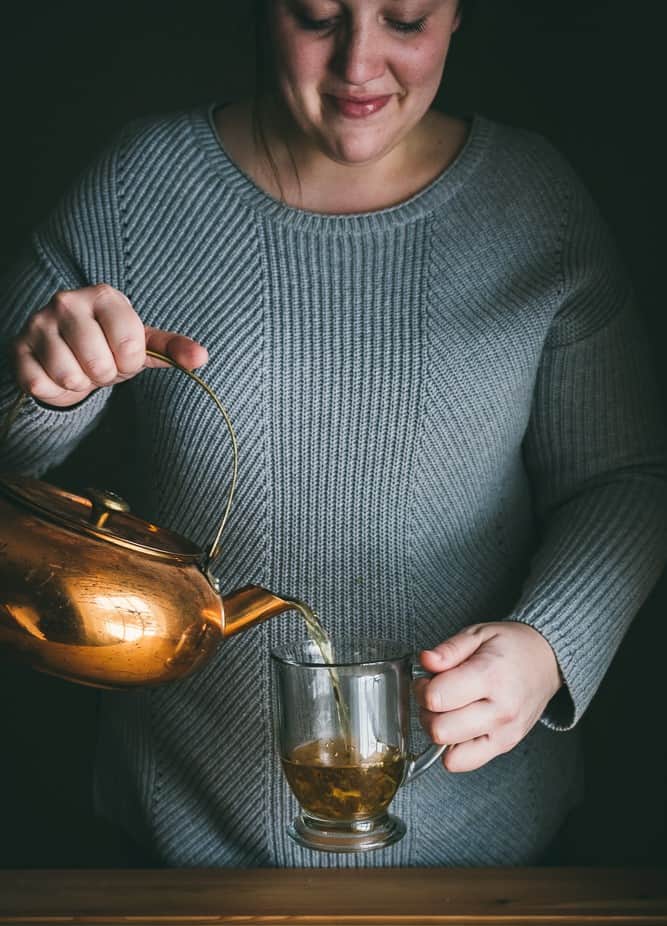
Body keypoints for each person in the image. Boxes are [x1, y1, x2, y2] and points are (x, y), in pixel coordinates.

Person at [1, 0, 666, 868]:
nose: (359, 65)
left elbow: (625, 476)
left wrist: (551, 644)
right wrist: (50, 391)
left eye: (404, 20)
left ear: (457, 14)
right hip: (177, 848)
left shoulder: (535, 199)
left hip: (489, 855)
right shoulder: (140, 187)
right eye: (317, 18)